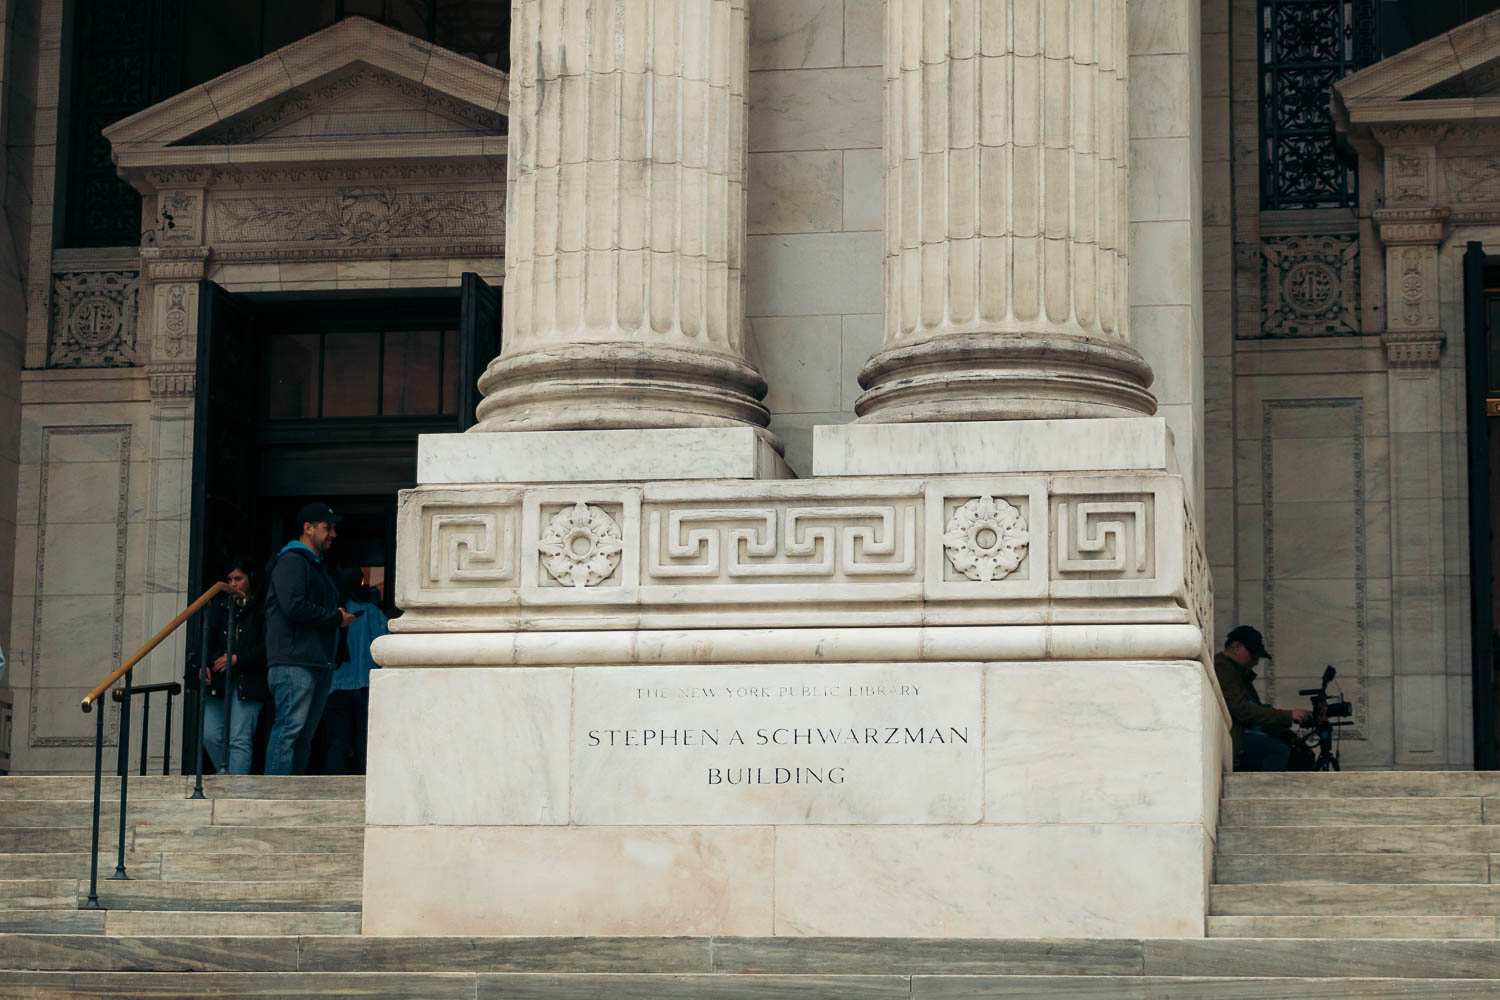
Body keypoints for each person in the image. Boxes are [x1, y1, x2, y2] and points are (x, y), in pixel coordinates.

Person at [264, 502, 354, 775]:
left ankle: (290, 792)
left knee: (301, 735)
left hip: (313, 662)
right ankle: (275, 795)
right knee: (290, 731)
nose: (333, 534)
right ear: (308, 528)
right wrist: (335, 618)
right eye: (328, 528)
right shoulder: (292, 560)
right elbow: (293, 605)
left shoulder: (313, 565)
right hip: (295, 662)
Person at [200, 558, 269, 775]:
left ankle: (234, 789)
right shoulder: (219, 607)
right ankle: (227, 778)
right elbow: (206, 642)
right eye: (229, 579)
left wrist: (238, 658)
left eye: (238, 578)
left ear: (251, 580)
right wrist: (203, 665)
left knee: (239, 739)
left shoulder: (262, 608)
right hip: (220, 681)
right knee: (210, 735)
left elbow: (268, 646)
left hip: (248, 681)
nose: (233, 584)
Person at [1214, 625, 1312, 772]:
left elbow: (1254, 709)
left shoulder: (1238, 672)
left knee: (1300, 752)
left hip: (1248, 735)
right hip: (1236, 739)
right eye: (1253, 655)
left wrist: (1288, 721)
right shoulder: (1222, 667)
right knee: (1277, 751)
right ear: (1236, 647)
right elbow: (1242, 710)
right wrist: (1287, 715)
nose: (1256, 661)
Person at [322, 567, 388, 775]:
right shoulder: (371, 611)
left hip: (335, 687)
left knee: (336, 744)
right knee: (366, 742)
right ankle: (367, 788)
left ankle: (334, 789)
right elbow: (384, 645)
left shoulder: (332, 613)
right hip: (367, 686)